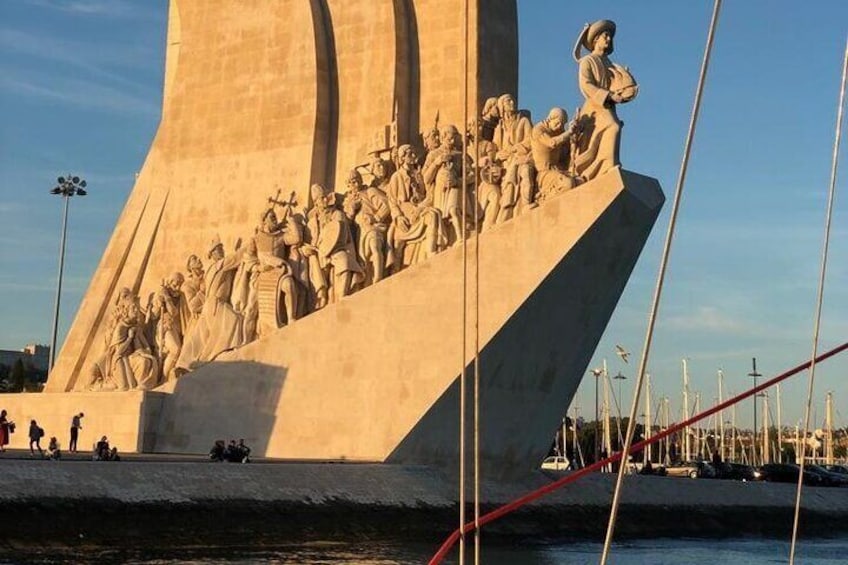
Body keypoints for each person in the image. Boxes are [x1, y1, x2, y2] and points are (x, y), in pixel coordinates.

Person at [571, 19, 638, 181]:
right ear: (595, 40)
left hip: (607, 105)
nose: (609, 39)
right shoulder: (588, 61)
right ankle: (606, 167)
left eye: (609, 37)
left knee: (614, 127)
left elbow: (618, 85)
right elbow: (586, 85)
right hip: (594, 108)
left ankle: (602, 169)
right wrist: (607, 95)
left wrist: (623, 91)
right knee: (613, 126)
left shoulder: (610, 64)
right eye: (605, 36)